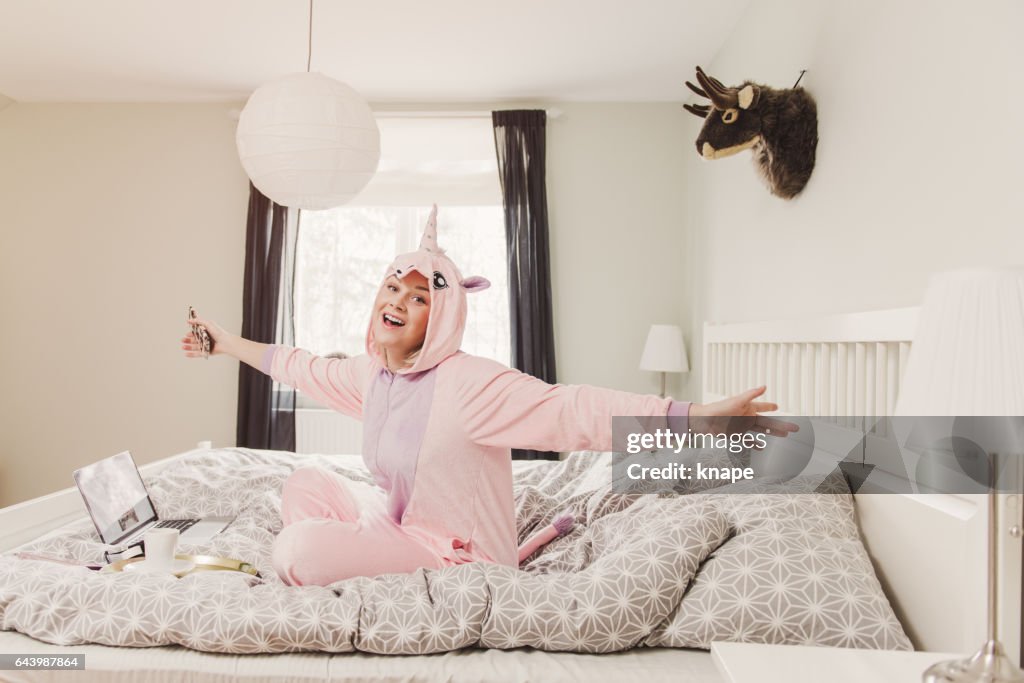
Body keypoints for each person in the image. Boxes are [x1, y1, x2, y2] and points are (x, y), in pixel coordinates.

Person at [181, 206, 782, 587]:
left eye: (420, 298)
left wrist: (692, 416)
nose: (398, 301)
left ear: (440, 319)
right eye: (394, 286)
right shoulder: (373, 375)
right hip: (400, 524)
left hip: (458, 558)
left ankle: (344, 561)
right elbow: (301, 366)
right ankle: (358, 554)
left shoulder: (469, 384)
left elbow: (570, 410)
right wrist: (223, 342)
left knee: (298, 549)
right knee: (303, 484)